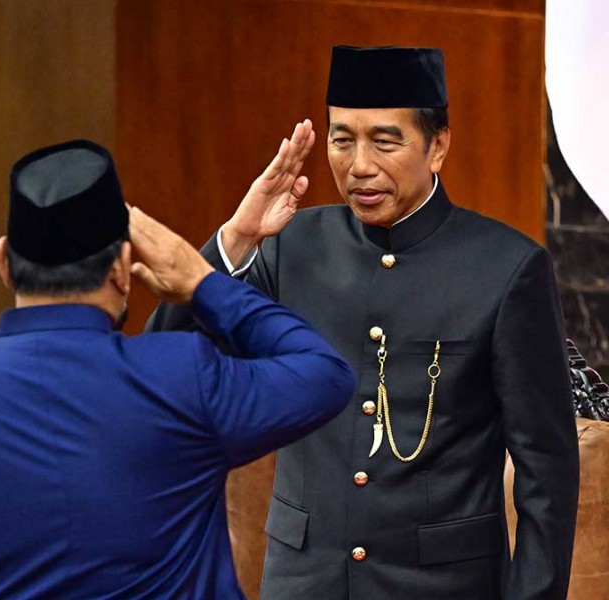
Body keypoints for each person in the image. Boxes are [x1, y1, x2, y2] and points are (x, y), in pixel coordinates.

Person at [148, 46, 580, 598]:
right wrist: (235, 240)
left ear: (438, 146)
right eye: (341, 138)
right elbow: (162, 369)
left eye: (385, 140)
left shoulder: (507, 268)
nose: (359, 166)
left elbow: (547, 467)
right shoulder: (289, 247)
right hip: (306, 583)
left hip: (443, 585)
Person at [0, 139, 357, 598]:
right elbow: (325, 375)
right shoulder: (183, 378)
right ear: (124, 266)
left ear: (4, 262)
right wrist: (201, 281)